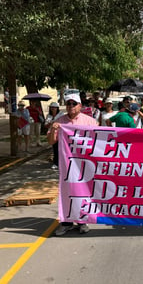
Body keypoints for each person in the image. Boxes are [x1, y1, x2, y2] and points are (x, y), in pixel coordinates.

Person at [47, 93, 98, 236]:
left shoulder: (89, 121)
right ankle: (66, 223)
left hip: (84, 164)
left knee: (82, 192)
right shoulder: (60, 121)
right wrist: (55, 129)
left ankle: (82, 221)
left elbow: (98, 141)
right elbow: (51, 142)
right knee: (67, 192)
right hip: (66, 166)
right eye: (68, 103)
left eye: (73, 104)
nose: (70, 106)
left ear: (80, 106)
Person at [44, 102, 64, 169]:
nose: (53, 109)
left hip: (60, 133)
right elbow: (46, 125)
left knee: (61, 149)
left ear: (57, 108)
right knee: (55, 148)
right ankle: (56, 163)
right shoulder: (49, 116)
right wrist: (50, 124)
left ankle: (62, 162)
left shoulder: (61, 115)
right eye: (51, 108)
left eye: (54, 108)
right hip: (52, 134)